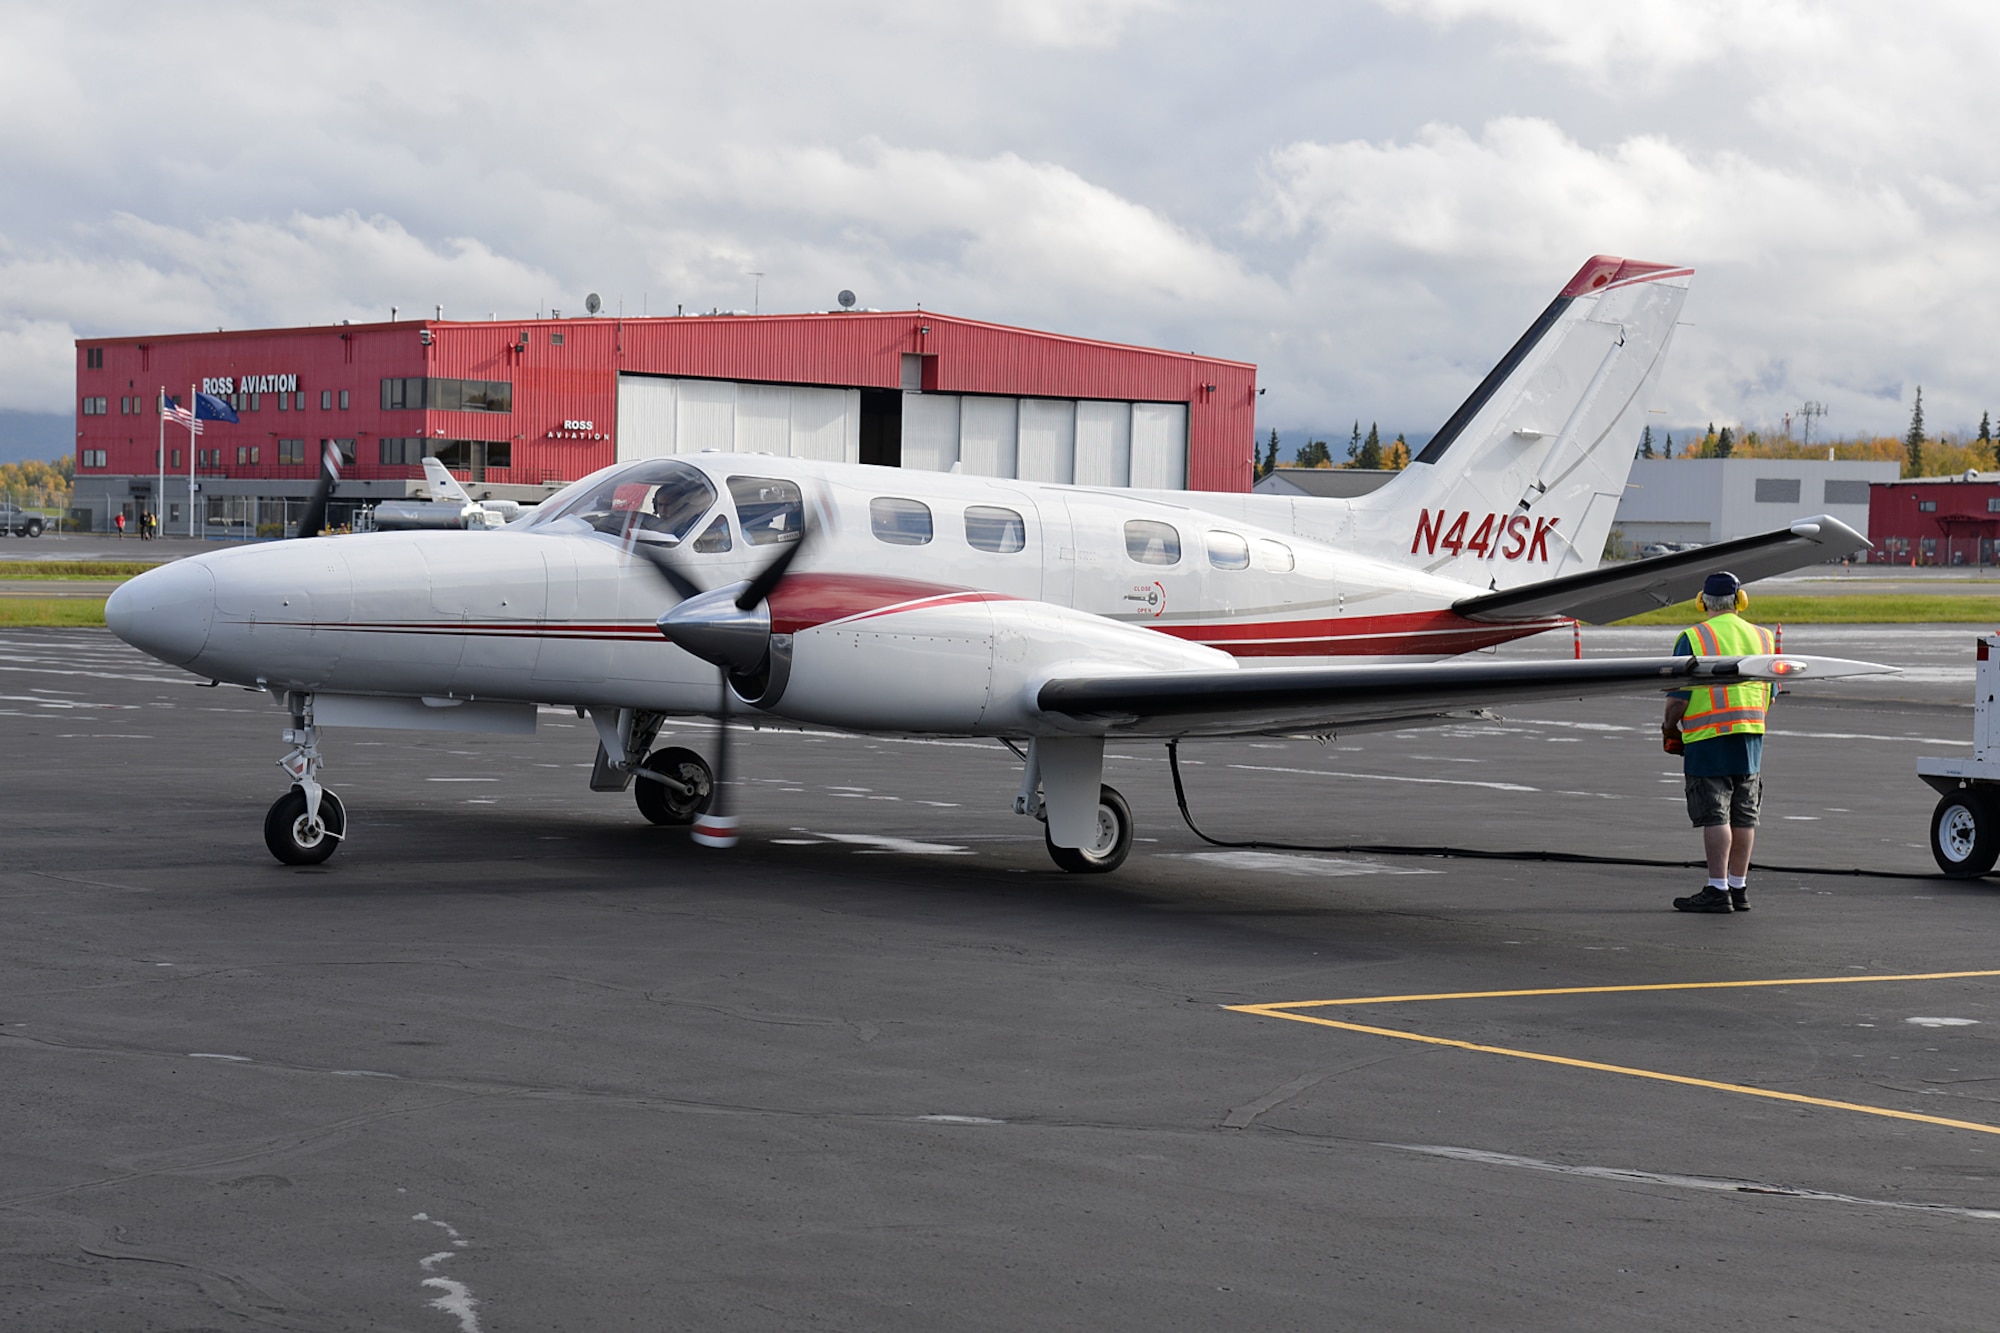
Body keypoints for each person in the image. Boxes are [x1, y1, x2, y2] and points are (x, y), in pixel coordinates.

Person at [1663, 571, 1776, 913]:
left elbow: (1678, 699)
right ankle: (1738, 888)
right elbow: (1770, 693)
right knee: (1744, 815)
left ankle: (1717, 888)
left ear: (1703, 602)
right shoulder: (1763, 637)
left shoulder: (1693, 638)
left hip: (1708, 736)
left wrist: (1669, 728)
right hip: (1751, 735)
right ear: (1740, 601)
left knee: (1716, 815)